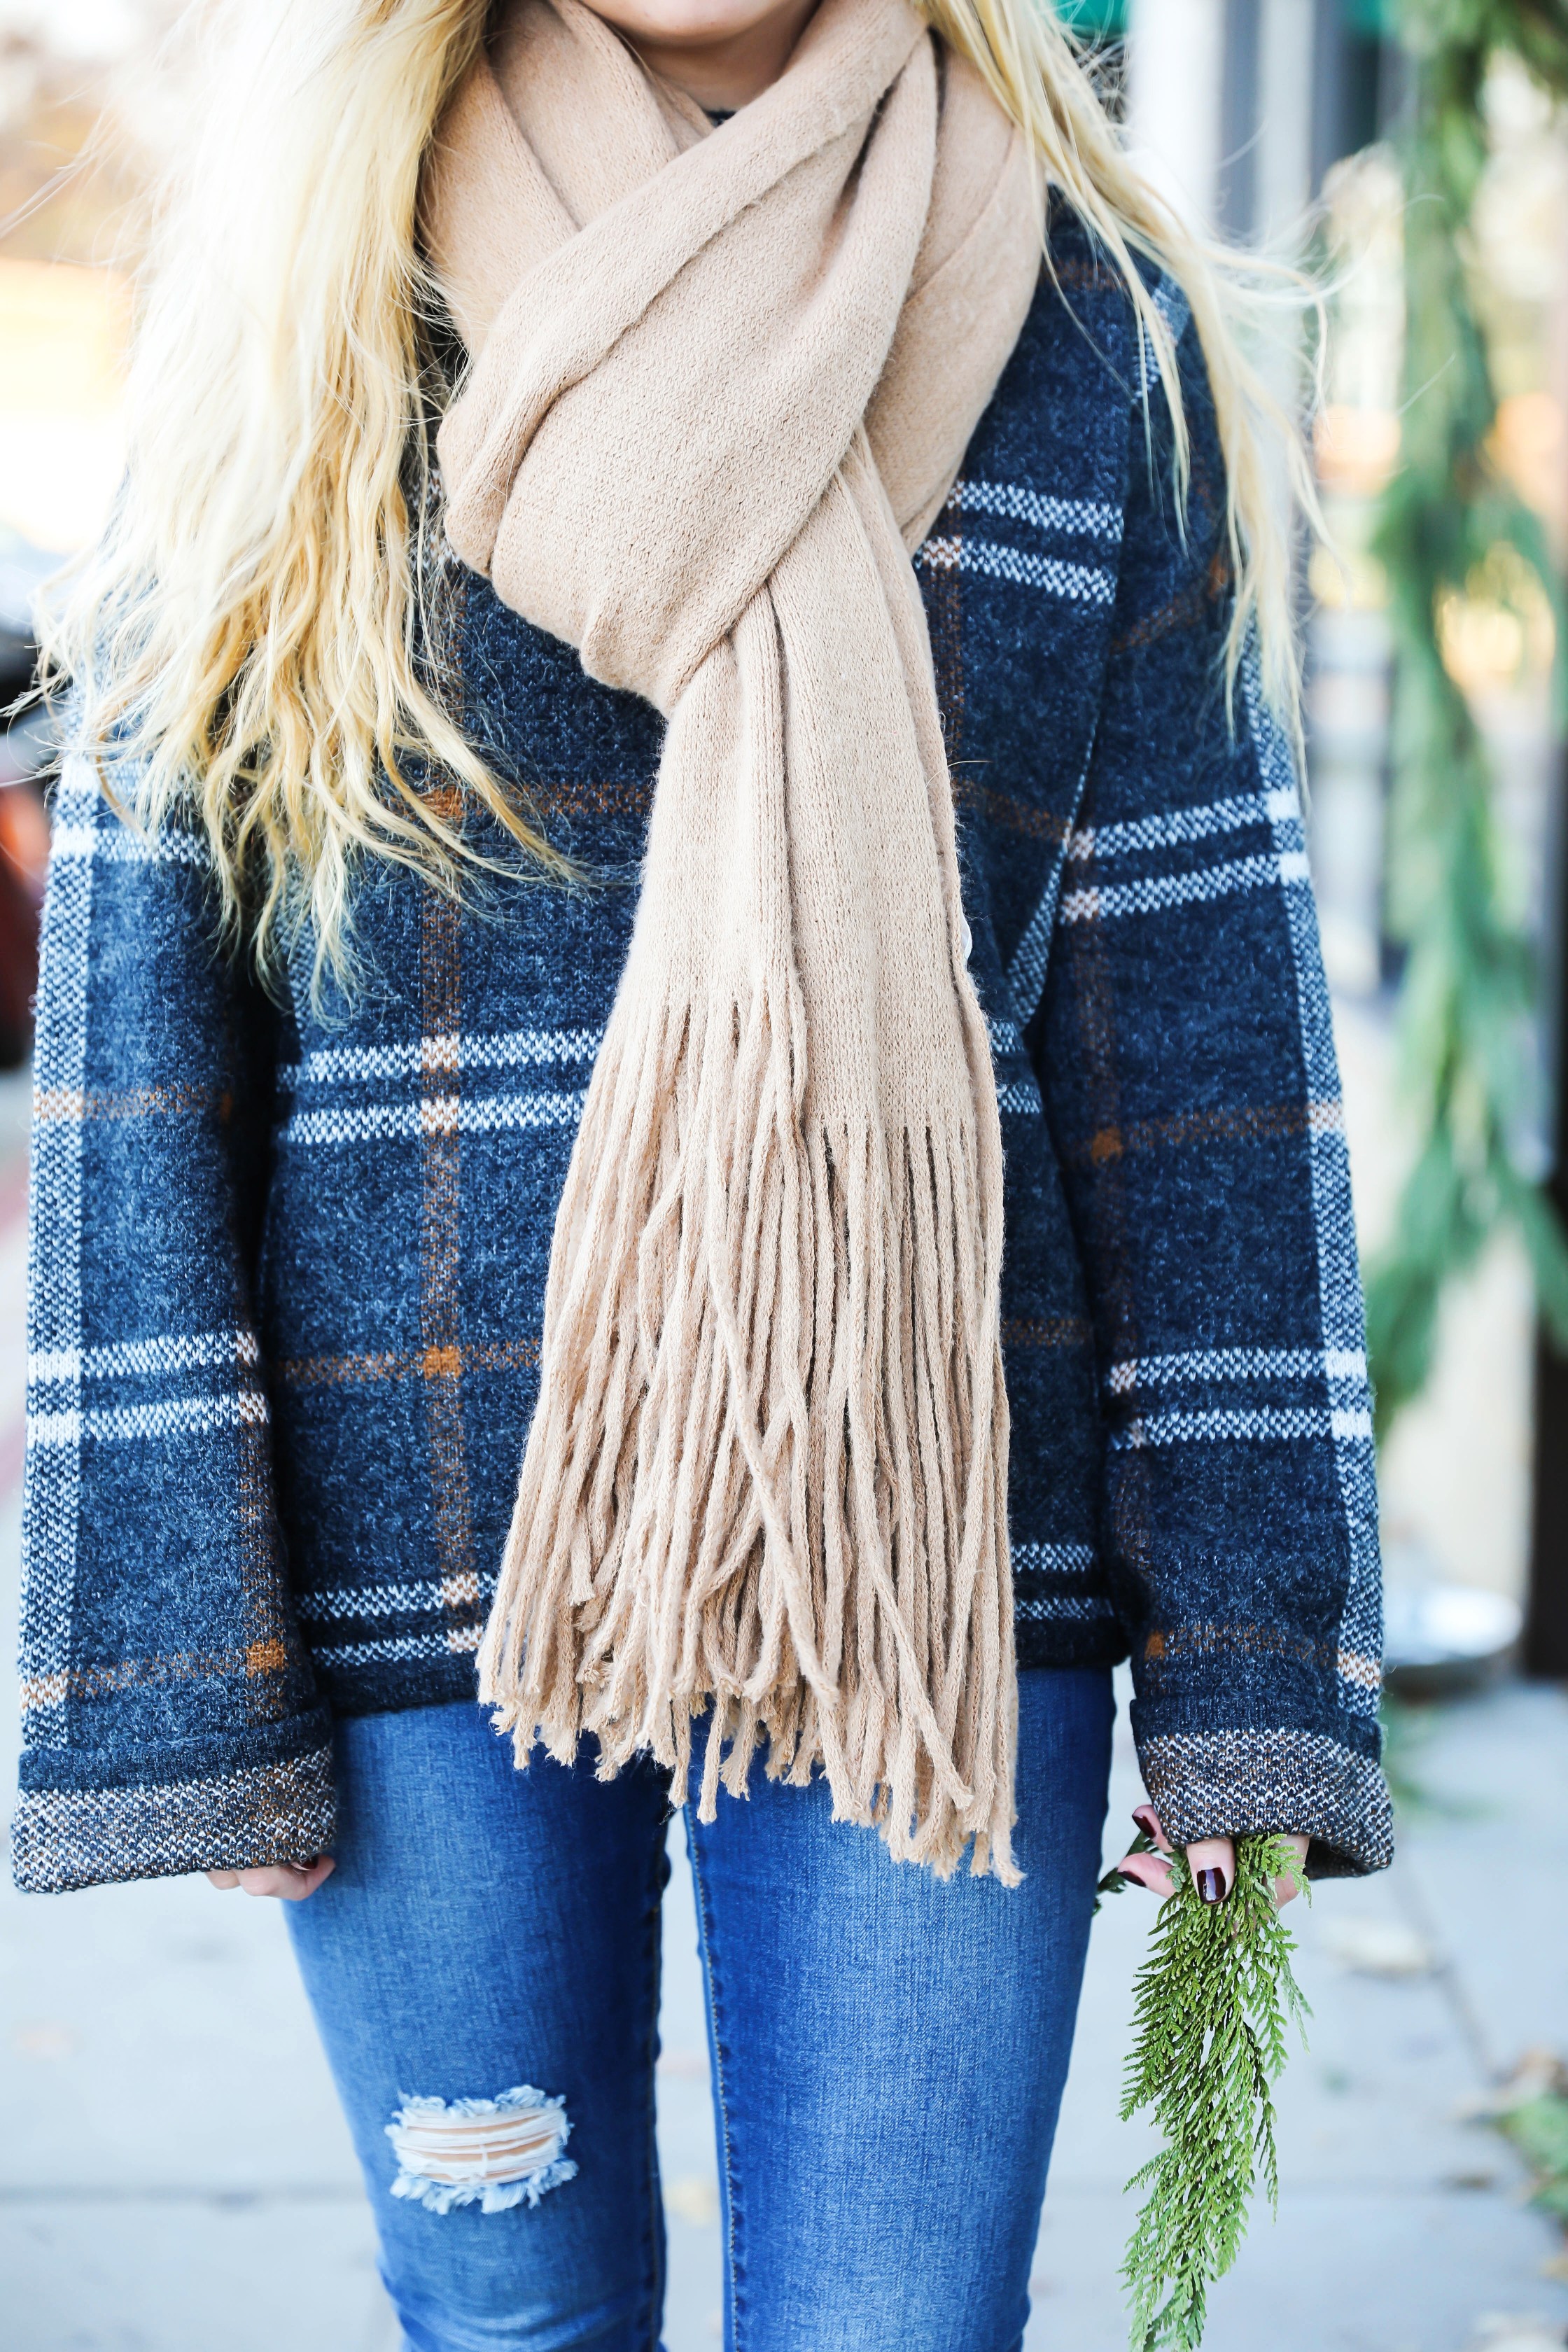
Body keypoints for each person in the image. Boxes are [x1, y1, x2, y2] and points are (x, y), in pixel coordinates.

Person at [16, 0, 1392, 2343]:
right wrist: (178, 1647)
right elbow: (145, 1011)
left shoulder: (1080, 308)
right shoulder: (319, 282)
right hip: (424, 1521)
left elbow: (1203, 1007)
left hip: (931, 1514)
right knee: (512, 2318)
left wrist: (1257, 1646)